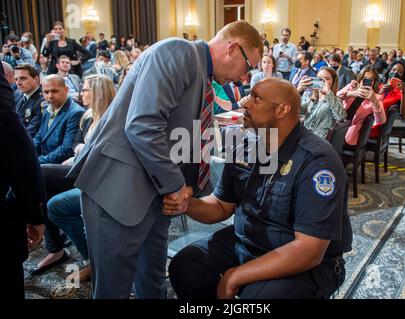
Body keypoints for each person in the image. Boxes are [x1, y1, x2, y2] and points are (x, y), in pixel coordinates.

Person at [68, 20, 263, 299]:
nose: (246, 78)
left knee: (152, 281)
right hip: (119, 189)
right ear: (233, 48)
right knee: (114, 288)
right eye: (248, 67)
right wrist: (176, 186)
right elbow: (143, 125)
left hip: (157, 194)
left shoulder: (203, 75)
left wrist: (187, 191)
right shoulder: (178, 52)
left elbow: (183, 135)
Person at [167, 78, 352, 299]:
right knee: (186, 265)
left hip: (304, 259)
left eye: (256, 98)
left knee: (259, 298)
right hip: (249, 242)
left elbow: (309, 250)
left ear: (282, 109)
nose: (245, 103)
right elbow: (220, 205)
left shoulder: (317, 161)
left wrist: (235, 275)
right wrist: (186, 203)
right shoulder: (245, 145)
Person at [31, 75, 117, 282]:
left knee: (39, 173)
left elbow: (97, 154)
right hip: (80, 168)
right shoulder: (87, 115)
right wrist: (82, 152)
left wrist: (81, 153)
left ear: (98, 93)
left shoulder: (111, 119)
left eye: (86, 90)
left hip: (98, 178)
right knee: (48, 196)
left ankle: (91, 258)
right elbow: (77, 145)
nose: (81, 93)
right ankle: (63, 250)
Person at [1, 62, 46, 299]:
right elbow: (18, 145)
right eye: (14, 79)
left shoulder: (37, 103)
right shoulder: (15, 101)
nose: (17, 83)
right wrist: (35, 215)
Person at [337, 66, 386, 146]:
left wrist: (374, 101)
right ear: (360, 78)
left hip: (351, 133)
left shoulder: (377, 97)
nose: (367, 81)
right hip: (338, 124)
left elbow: (381, 121)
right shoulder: (352, 87)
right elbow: (336, 96)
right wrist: (351, 93)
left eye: (371, 79)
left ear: (374, 82)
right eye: (364, 78)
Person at [298, 67, 346, 138]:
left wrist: (328, 92)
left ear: (333, 82)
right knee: (277, 135)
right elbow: (296, 110)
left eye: (326, 79)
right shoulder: (313, 100)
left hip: (317, 143)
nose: (322, 82)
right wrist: (298, 90)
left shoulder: (336, 101)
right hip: (304, 138)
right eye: (319, 78)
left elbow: (341, 117)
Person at [14, 63, 44, 138]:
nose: (18, 83)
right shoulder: (17, 94)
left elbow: (30, 132)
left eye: (23, 78)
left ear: (36, 79)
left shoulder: (42, 101)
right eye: (16, 79)